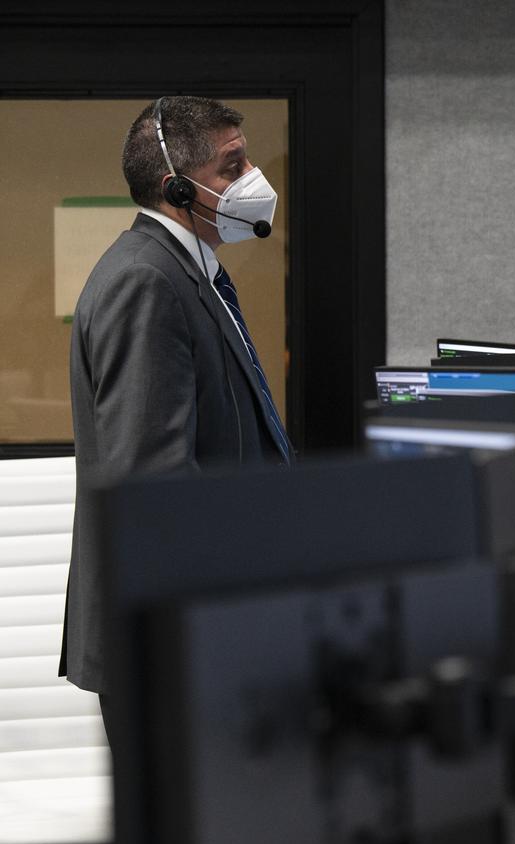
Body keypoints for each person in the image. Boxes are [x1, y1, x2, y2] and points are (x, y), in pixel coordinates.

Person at [61, 96, 292, 743]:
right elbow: (155, 487)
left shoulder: (189, 275)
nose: (255, 183)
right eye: (233, 165)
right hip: (173, 647)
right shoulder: (146, 281)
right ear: (176, 187)